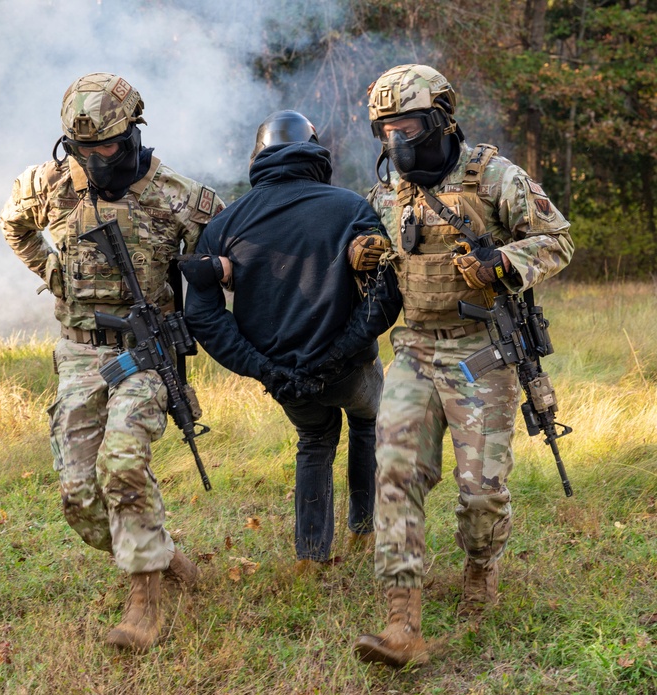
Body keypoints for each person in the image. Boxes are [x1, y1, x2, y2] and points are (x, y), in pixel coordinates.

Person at [350, 64, 574, 667]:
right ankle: (402, 621)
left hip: (482, 354)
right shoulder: (386, 193)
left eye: (410, 126)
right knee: (394, 475)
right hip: (416, 350)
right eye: (387, 129)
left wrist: (501, 262)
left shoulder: (493, 175)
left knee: (480, 493)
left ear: (442, 119)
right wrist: (363, 254)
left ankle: (480, 565)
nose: (399, 141)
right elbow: (378, 256)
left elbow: (557, 239)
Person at [0, 72, 224, 651]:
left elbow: (227, 250)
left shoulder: (176, 193)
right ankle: (162, 554)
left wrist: (200, 287)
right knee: (78, 493)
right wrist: (54, 275)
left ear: (132, 133)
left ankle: (144, 598)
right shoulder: (49, 184)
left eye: (106, 145)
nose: (95, 158)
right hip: (79, 353)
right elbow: (13, 224)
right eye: (83, 148)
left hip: (145, 354)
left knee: (122, 465)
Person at [182, 110, 402, 575]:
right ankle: (364, 531)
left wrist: (264, 368)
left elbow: (202, 315)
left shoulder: (226, 223)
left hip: (282, 377)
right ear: (315, 152)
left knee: (314, 440)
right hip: (350, 368)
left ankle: (311, 561)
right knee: (367, 423)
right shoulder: (351, 208)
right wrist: (340, 352)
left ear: (258, 157)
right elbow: (387, 294)